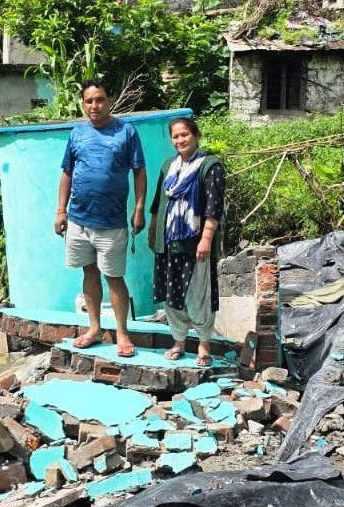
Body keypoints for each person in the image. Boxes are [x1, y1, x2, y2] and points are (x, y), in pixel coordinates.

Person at [54, 79, 147, 357]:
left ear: (109, 101)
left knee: (114, 277)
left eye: (100, 99)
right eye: (89, 101)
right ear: (83, 104)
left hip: (112, 222)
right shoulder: (77, 133)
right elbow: (67, 173)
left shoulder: (126, 132)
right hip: (79, 219)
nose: (95, 105)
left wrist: (139, 208)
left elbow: (139, 171)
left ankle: (122, 333)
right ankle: (94, 328)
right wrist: (61, 211)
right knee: (89, 272)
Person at [148, 117, 225, 367]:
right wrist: (153, 231)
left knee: (199, 294)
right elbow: (158, 202)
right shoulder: (168, 166)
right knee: (172, 294)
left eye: (185, 135)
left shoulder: (210, 166)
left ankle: (204, 344)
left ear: (196, 136)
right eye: (176, 136)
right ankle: (178, 341)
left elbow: (214, 207)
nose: (180, 140)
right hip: (168, 241)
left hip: (195, 243)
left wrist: (206, 239)